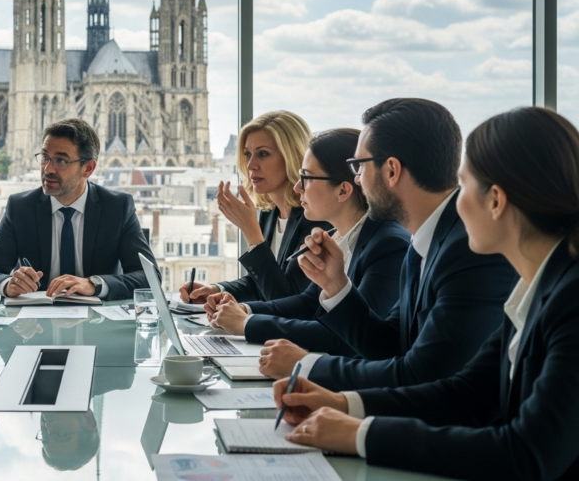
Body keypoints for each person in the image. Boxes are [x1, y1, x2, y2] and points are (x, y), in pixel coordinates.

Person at [272, 107, 579, 480]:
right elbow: (466, 393)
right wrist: (343, 404)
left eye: (463, 186)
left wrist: (361, 433)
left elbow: (528, 452)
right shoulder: (537, 286)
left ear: (496, 201)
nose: (455, 201)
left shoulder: (568, 300)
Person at [257, 98, 517, 391]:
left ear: (392, 170)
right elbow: (391, 343)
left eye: (358, 166)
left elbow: (421, 375)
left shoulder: (469, 251)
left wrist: (307, 367)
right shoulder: (425, 240)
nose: (356, 179)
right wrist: (336, 287)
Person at [206, 129, 409, 356]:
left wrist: (246, 324)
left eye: (306, 178)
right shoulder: (340, 235)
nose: (297, 187)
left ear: (343, 190)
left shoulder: (388, 245)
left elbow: (346, 337)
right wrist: (244, 309)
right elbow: (309, 302)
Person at [0, 118, 156, 301]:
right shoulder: (21, 207)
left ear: (88, 168)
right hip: (36, 324)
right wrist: (7, 284)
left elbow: (149, 277)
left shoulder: (117, 207)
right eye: (44, 157)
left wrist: (95, 284)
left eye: (61, 160)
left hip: (98, 320)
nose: (48, 169)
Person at [181, 111, 329, 304]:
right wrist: (218, 290)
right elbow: (261, 281)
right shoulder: (270, 212)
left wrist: (250, 231)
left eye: (263, 154)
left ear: (292, 156)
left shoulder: (316, 218)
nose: (251, 165)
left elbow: (286, 299)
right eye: (248, 154)